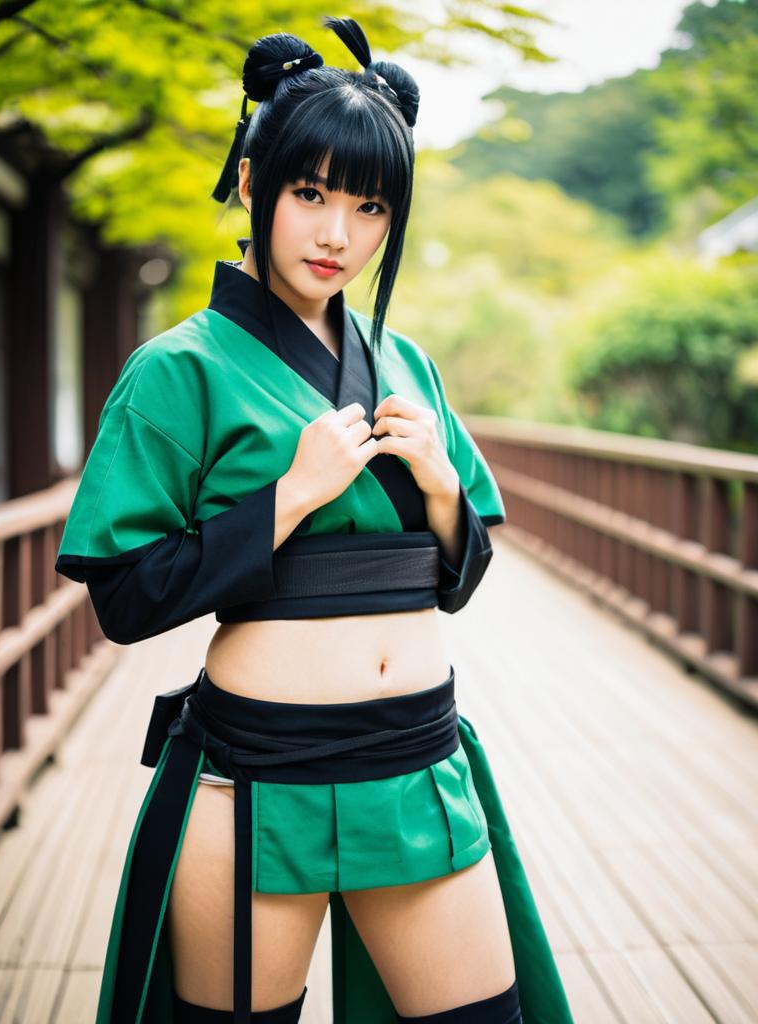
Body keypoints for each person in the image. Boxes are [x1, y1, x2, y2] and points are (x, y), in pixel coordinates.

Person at [54, 14, 574, 1024]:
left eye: (370, 204)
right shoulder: (176, 371)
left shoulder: (405, 361)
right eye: (311, 193)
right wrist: (286, 499)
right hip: (256, 780)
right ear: (253, 185)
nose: (339, 233)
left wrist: (435, 485)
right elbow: (122, 597)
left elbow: (461, 573)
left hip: (416, 762)